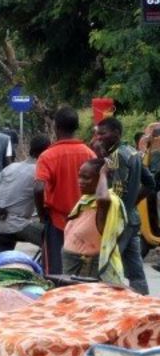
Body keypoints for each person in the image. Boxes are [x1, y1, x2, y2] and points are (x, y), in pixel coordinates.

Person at [92, 116, 156, 294]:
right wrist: (132, 202)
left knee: (108, 269)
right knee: (136, 272)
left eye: (103, 134)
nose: (99, 138)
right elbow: (150, 183)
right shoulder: (132, 152)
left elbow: (116, 193)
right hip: (133, 219)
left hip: (118, 223)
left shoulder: (117, 155)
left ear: (116, 133)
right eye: (98, 134)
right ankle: (144, 307)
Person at [34, 107, 96, 275]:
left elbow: (38, 188)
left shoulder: (48, 156)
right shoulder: (90, 154)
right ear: (76, 127)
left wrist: (41, 215)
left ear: (56, 127)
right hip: (85, 222)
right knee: (83, 273)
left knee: (56, 271)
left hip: (57, 222)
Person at [62, 158, 126, 283]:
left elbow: (103, 199)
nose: (80, 181)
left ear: (102, 180)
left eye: (86, 178)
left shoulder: (107, 201)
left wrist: (103, 173)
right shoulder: (86, 199)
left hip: (87, 268)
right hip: (73, 265)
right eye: (79, 176)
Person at [0, 134, 50, 253]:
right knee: (52, 238)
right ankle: (46, 270)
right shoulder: (39, 171)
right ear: (46, 151)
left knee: (3, 261)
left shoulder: (12, 167)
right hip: (17, 225)